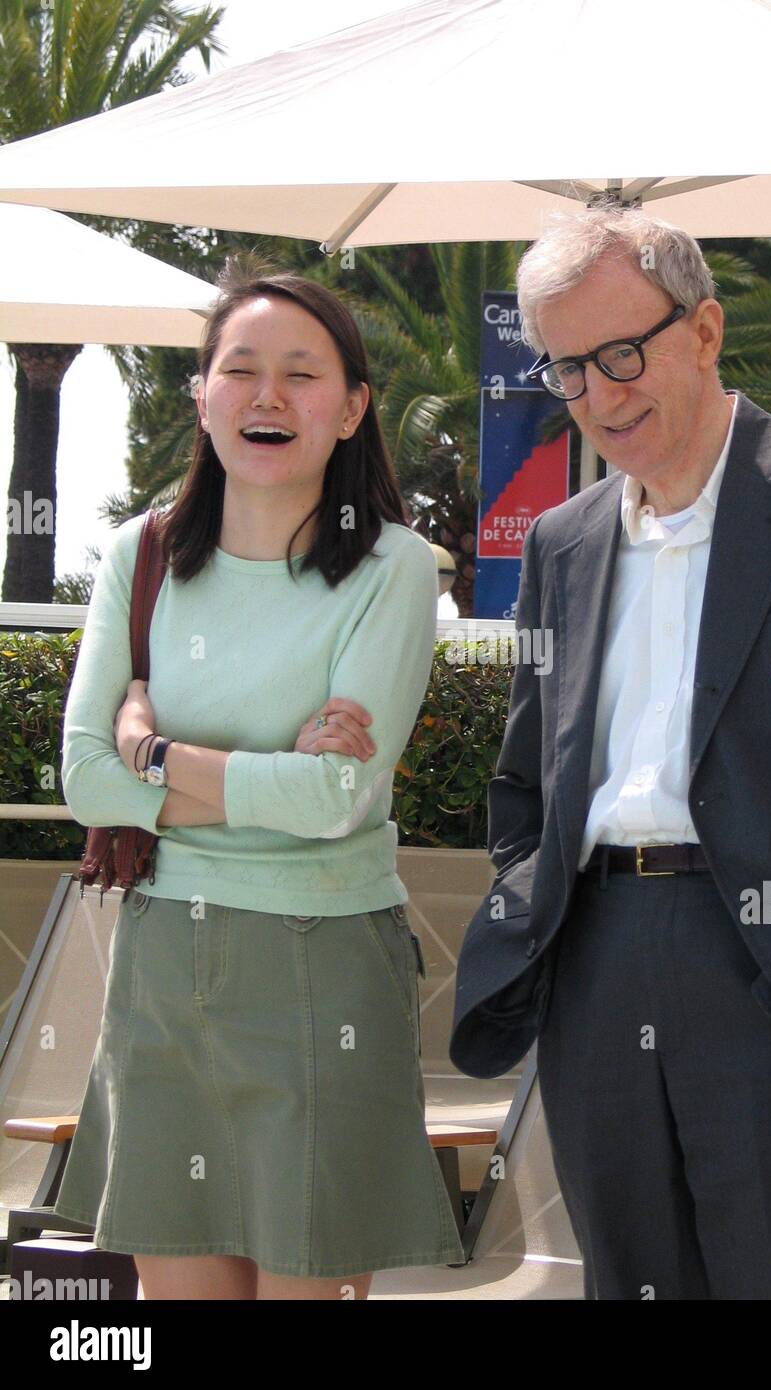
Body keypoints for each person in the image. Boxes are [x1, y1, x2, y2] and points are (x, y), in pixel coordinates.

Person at [447, 206, 771, 1300]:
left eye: (622, 352)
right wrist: (538, 920)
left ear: (709, 330)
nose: (598, 393)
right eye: (567, 369)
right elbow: (527, 775)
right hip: (594, 957)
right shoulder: (561, 540)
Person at [55, 262, 464, 1300]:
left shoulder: (395, 569)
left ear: (353, 406)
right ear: (201, 396)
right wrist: (263, 775)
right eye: (239, 370)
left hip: (323, 969)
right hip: (159, 975)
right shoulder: (135, 556)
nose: (268, 396)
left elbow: (333, 804)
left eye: (301, 373)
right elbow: (82, 778)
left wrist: (152, 755)